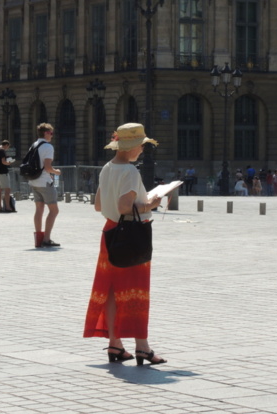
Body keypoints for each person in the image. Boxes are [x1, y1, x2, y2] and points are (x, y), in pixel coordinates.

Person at [83, 123, 166, 365]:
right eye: (141, 146)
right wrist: (151, 203)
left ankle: (115, 344)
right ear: (131, 147)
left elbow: (99, 206)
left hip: (110, 232)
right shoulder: (130, 172)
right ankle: (143, 347)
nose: (142, 150)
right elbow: (124, 207)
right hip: (131, 234)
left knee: (111, 291)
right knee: (136, 292)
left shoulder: (107, 168)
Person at [28, 123, 61, 248]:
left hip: (34, 181)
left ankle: (38, 239)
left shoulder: (34, 145)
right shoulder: (48, 147)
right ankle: (46, 239)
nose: (52, 136)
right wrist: (56, 171)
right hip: (44, 182)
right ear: (46, 133)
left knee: (39, 209)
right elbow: (47, 167)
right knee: (54, 210)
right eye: (51, 133)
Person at [0, 140, 14, 213]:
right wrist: (8, 163)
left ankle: (0, 207)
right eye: (8, 147)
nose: (7, 149)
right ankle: (8, 207)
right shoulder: (2, 150)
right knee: (7, 189)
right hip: (3, 172)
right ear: (6, 145)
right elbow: (3, 161)